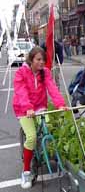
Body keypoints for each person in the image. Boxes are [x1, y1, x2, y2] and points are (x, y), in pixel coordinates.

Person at [12, 46, 67, 189]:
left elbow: (52, 88)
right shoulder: (21, 73)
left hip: (40, 107)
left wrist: (60, 104)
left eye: (43, 59)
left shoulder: (45, 72)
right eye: (38, 59)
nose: (42, 62)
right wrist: (28, 108)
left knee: (50, 129)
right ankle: (26, 171)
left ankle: (46, 153)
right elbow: (21, 91)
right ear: (31, 60)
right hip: (24, 109)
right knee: (31, 136)